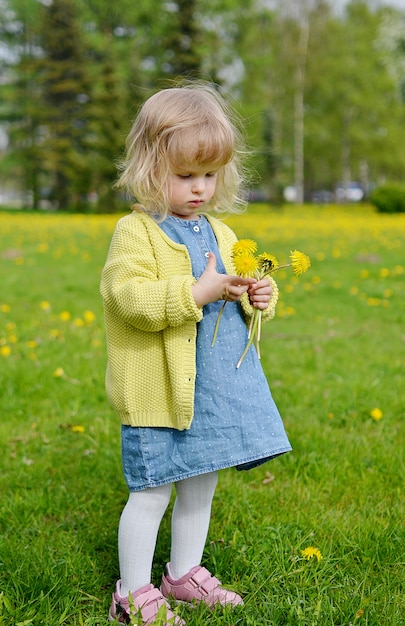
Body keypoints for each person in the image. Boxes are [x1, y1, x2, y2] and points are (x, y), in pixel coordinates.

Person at [100, 82, 292, 625]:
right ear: (149, 167)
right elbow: (128, 298)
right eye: (185, 175)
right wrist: (194, 292)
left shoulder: (222, 231)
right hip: (160, 393)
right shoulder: (135, 233)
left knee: (199, 487)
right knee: (152, 493)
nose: (199, 188)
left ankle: (182, 575)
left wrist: (256, 297)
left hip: (208, 396)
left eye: (209, 175)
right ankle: (132, 592)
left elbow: (234, 299)